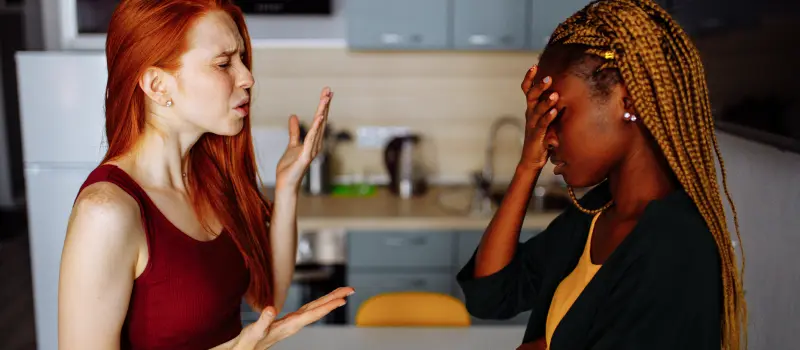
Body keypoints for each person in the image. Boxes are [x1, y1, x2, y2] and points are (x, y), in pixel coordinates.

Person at [57, 1, 353, 349]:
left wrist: (288, 187)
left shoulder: (209, 181)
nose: (247, 77)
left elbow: (266, 297)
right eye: (224, 63)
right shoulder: (107, 212)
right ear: (157, 85)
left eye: (241, 60)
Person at [456, 1, 747, 349]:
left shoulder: (674, 246)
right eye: (540, 120)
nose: (546, 137)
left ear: (628, 103)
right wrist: (527, 166)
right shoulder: (596, 212)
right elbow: (491, 295)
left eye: (557, 115)